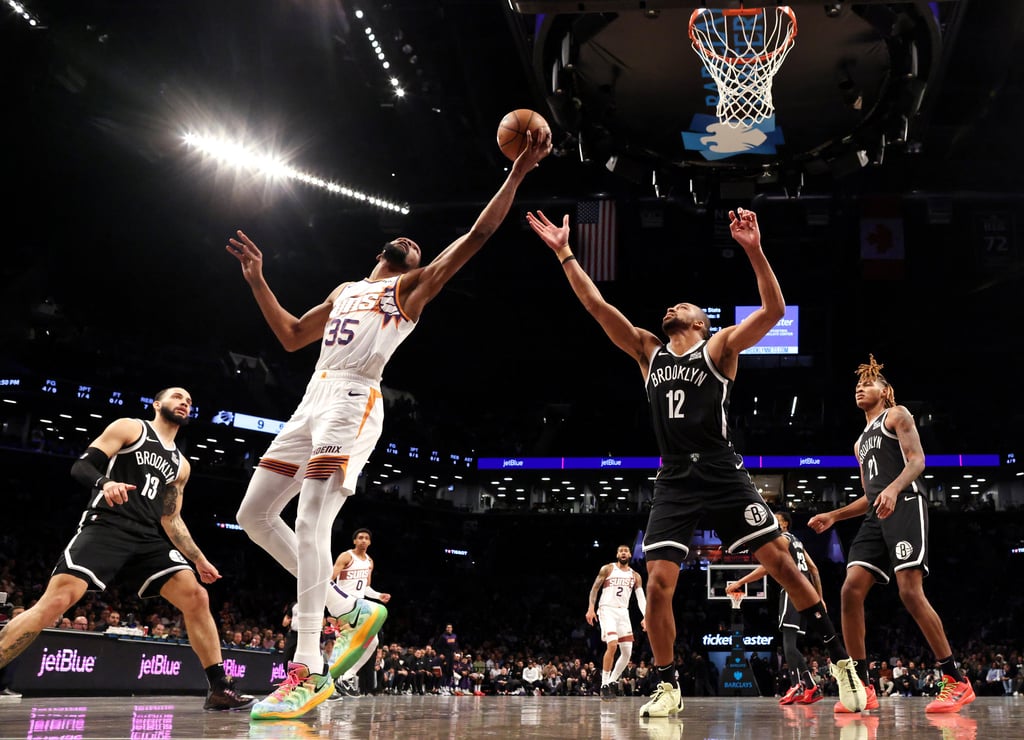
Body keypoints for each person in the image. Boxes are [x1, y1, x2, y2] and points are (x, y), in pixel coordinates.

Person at [229, 129, 551, 719]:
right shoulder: (346, 289)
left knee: (311, 518)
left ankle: (309, 665)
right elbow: (292, 335)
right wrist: (257, 281)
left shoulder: (408, 291)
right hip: (313, 395)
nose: (412, 242)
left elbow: (477, 235)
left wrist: (519, 171)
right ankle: (347, 607)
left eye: (419, 248)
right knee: (253, 515)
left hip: (355, 398)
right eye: (406, 242)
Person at [525, 207, 865, 719]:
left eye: (682, 306)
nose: (671, 307)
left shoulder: (719, 347)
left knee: (782, 564)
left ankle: (842, 664)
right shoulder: (648, 351)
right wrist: (565, 253)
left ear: (701, 322)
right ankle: (668, 685)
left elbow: (774, 310)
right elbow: (596, 306)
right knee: (658, 583)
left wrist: (754, 249)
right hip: (675, 476)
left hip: (722, 470)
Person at [0, 388, 254, 712]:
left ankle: (219, 687)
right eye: (178, 396)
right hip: (108, 525)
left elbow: (171, 519)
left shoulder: (181, 465)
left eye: (190, 401)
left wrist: (199, 559)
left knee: (197, 596)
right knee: (57, 602)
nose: (185, 402)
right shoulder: (131, 427)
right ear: (157, 404)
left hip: (147, 537)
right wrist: (105, 483)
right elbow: (82, 466)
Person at [809, 356, 976, 715]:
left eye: (868, 383)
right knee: (850, 590)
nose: (860, 387)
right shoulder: (859, 443)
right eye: (857, 384)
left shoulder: (897, 415)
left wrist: (895, 489)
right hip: (877, 513)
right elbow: (870, 495)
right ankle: (863, 686)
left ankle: (956, 679)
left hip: (906, 504)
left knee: (909, 592)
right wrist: (835, 515)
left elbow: (917, 461)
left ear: (885, 391)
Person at [727, 510, 825, 706]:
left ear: (785, 524)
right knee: (792, 645)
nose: (773, 523)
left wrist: (740, 581)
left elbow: (767, 567)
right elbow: (814, 569)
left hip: (793, 590)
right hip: (807, 592)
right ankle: (807, 686)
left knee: (788, 643)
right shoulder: (798, 542)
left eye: (777, 520)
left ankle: (799, 685)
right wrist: (819, 598)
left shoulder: (782, 539)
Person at [327, 528, 391, 699]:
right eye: (360, 537)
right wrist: (331, 607)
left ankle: (346, 677)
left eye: (366, 538)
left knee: (373, 642)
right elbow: (329, 580)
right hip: (344, 606)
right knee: (342, 646)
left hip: (359, 607)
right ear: (354, 541)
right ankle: (326, 682)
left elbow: (365, 588)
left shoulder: (369, 561)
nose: (363, 540)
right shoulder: (346, 556)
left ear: (369, 542)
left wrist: (378, 595)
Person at [585, 544, 647, 701]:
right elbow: (594, 588)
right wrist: (591, 608)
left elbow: (641, 598)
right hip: (607, 609)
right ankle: (604, 684)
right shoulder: (608, 569)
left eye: (626, 551)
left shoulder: (635, 576)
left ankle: (611, 681)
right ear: (617, 554)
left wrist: (646, 616)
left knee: (627, 652)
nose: (623, 553)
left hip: (623, 612)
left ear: (630, 555)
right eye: (621, 551)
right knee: (612, 645)